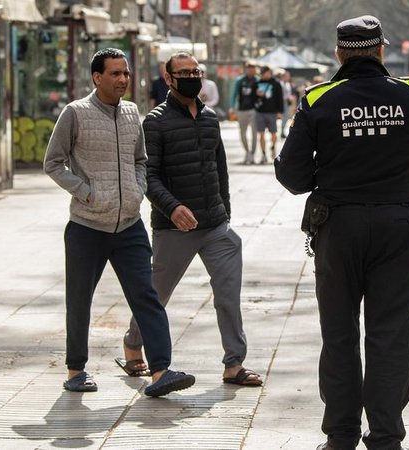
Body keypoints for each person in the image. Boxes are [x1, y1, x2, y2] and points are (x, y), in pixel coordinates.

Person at [275, 15, 409, 450]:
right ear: (381, 51)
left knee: (338, 333)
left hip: (338, 228)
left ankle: (341, 436)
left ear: (339, 54)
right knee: (390, 333)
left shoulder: (318, 99)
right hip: (395, 228)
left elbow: (292, 176)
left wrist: (333, 171)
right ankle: (386, 436)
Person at [44, 48, 195, 397]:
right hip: (86, 227)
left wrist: (137, 188)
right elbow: (53, 163)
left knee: (147, 296)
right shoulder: (75, 113)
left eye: (126, 73)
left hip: (129, 225)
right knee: (80, 299)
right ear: (97, 77)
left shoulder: (131, 113)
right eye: (115, 74)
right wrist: (87, 193)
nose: (123, 80)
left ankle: (160, 372)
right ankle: (75, 370)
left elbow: (141, 160)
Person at [120, 51, 264, 388]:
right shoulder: (154, 122)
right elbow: (147, 176)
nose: (191, 76)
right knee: (156, 296)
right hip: (174, 229)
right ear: (168, 78)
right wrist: (171, 208)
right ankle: (132, 343)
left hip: (215, 226)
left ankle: (234, 363)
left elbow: (220, 169)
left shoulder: (211, 117)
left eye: (195, 71)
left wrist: (224, 211)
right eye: (183, 72)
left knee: (228, 295)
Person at [230, 61, 259, 164]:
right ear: (246, 69)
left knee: (254, 132)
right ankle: (247, 151)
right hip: (241, 109)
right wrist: (232, 107)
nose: (251, 70)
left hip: (254, 110)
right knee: (242, 132)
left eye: (253, 68)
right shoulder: (240, 80)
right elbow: (234, 94)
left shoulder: (258, 80)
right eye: (249, 68)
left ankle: (252, 153)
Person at [254, 65, 283, 164]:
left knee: (273, 133)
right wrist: (256, 94)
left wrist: (280, 111)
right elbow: (252, 97)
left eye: (265, 73)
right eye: (262, 73)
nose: (264, 75)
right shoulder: (257, 83)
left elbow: (280, 98)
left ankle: (273, 147)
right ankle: (263, 154)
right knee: (261, 134)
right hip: (260, 112)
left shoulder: (275, 83)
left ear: (270, 73)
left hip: (272, 112)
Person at [279, 70, 296, 138]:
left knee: (286, 118)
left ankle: (283, 131)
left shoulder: (288, 84)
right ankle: (282, 132)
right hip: (283, 103)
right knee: (284, 118)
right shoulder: (280, 84)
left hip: (288, 103)